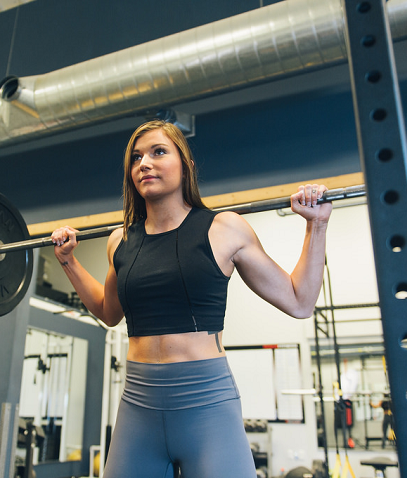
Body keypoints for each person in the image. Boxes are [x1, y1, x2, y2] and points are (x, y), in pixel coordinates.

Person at [51, 120, 332, 478]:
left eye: (158, 152)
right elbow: (108, 313)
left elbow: (299, 301)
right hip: (138, 404)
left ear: (186, 166)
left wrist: (316, 225)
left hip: (207, 405)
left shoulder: (224, 228)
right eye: (136, 158)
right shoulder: (119, 240)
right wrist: (68, 261)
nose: (144, 163)